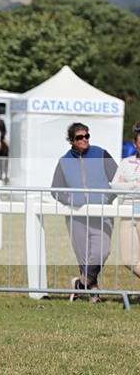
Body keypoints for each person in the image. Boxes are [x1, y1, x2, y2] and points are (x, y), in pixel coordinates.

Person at [51, 123, 118, 303]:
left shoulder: (101, 153)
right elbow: (55, 190)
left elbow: (119, 180)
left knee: (101, 252)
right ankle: (93, 292)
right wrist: (70, 200)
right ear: (71, 140)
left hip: (102, 215)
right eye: (80, 137)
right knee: (84, 258)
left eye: (87, 136)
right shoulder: (64, 161)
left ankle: (80, 285)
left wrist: (107, 199)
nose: (84, 140)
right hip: (76, 216)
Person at [111, 123, 140, 279]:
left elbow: (121, 185)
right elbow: (115, 186)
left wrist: (126, 184)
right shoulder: (125, 163)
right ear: (135, 144)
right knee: (129, 260)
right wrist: (135, 184)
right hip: (127, 213)